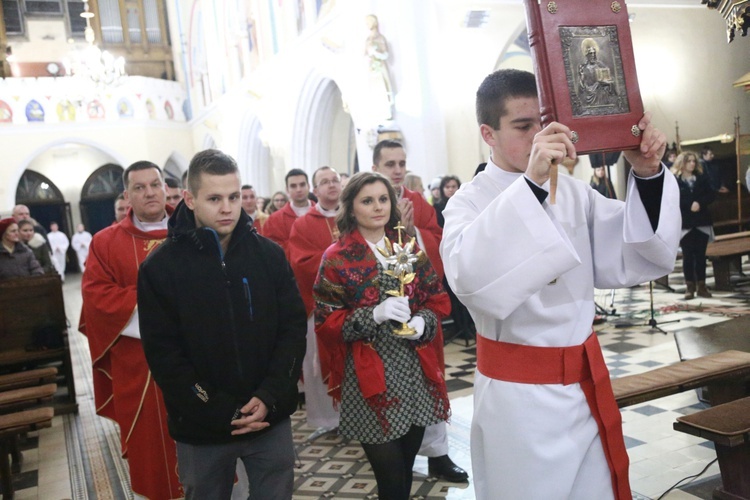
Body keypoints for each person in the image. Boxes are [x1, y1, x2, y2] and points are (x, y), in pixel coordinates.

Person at [440, 69, 681, 500]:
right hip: (519, 403)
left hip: (583, 390)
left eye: (543, 122)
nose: (540, 137)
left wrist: (645, 174)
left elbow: (640, 251)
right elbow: (470, 280)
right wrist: (530, 188)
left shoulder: (573, 192)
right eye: (523, 126)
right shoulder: (469, 202)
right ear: (487, 134)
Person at [138, 149, 307, 499]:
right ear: (190, 199)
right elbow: (164, 354)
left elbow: (291, 329)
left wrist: (269, 393)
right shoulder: (160, 268)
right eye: (214, 198)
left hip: (268, 417)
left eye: (233, 196)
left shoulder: (269, 255)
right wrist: (218, 410)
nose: (228, 208)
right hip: (202, 426)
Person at [313, 171, 451, 500]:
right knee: (389, 476)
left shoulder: (407, 246)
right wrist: (372, 314)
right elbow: (325, 320)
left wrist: (423, 322)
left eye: (383, 199)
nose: (378, 207)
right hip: (370, 375)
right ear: (351, 208)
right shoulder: (336, 256)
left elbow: (436, 297)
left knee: (405, 469)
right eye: (367, 201)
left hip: (414, 369)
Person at [80, 160, 182, 500]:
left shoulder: (194, 230)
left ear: (166, 188)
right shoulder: (106, 242)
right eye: (139, 188)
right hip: (139, 362)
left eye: (154, 184)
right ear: (127, 195)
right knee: (151, 444)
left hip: (201, 355)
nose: (149, 193)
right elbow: (96, 297)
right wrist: (153, 303)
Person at [371, 139, 468, 483]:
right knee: (393, 386)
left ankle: (439, 456)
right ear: (375, 169)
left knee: (432, 380)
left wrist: (414, 234)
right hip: (382, 313)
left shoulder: (415, 202)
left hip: (420, 309)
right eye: (390, 164)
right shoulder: (366, 203)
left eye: (401, 163)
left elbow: (438, 239)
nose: (397, 170)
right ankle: (396, 460)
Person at [288, 166, 342, 434]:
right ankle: (327, 420)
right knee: (318, 362)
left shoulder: (353, 215)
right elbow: (300, 263)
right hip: (319, 305)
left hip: (355, 306)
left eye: (335, 180)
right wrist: (339, 257)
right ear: (315, 189)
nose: (331, 185)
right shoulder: (304, 223)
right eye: (324, 182)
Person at [672, 151, 715, 299]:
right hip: (686, 223)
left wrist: (699, 203)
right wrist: (689, 204)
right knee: (688, 256)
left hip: (701, 220)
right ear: (682, 163)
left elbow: (711, 194)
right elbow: (672, 199)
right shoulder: (675, 181)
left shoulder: (702, 178)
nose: (692, 164)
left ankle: (702, 286)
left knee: (701, 256)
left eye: (693, 161)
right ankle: (689, 287)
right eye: (689, 161)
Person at [263, 169, 315, 254]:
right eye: (293, 186)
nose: (298, 189)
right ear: (287, 189)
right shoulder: (274, 220)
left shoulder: (321, 214)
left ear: (308, 186)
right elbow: (270, 250)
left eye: (302, 185)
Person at [578, 38, 616, 107]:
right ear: (587, 55)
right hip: (590, 92)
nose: (592, 55)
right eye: (590, 53)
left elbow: (608, 76)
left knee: (606, 89)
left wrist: (607, 82)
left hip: (602, 91)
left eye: (593, 53)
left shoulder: (600, 64)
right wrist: (582, 76)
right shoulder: (583, 67)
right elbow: (582, 86)